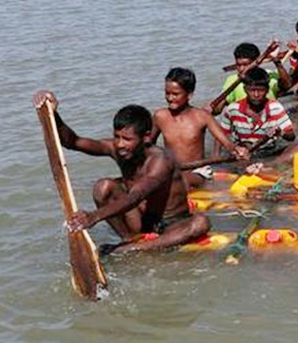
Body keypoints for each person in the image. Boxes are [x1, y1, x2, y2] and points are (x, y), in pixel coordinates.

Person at [33, 91, 210, 254]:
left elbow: (135, 196)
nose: (119, 144)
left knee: (200, 223)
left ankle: (130, 249)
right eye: (116, 136)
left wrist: (94, 217)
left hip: (172, 223)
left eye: (127, 139)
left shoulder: (160, 160)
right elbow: (73, 142)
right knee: (103, 187)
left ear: (146, 137)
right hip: (142, 221)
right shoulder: (117, 149)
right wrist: (53, 114)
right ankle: (127, 238)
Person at [152, 68, 249, 187]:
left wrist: (238, 150)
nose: (170, 98)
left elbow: (226, 143)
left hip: (198, 171)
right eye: (167, 93)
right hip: (173, 171)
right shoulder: (160, 116)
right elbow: (148, 145)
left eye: (176, 94)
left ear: (189, 94)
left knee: (180, 180)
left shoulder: (202, 116)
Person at [217, 67, 298, 159]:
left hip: (268, 151)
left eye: (260, 90)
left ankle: (270, 164)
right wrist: (219, 154)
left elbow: (291, 136)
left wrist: (280, 132)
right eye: (252, 90)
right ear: (245, 89)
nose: (256, 95)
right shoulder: (232, 109)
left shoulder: (275, 108)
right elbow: (221, 135)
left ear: (267, 90)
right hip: (242, 152)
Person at [214, 42, 281, 113]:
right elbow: (218, 108)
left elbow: (286, 86)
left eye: (245, 64)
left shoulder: (268, 76)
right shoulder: (231, 80)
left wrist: (276, 61)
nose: (241, 69)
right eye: (238, 65)